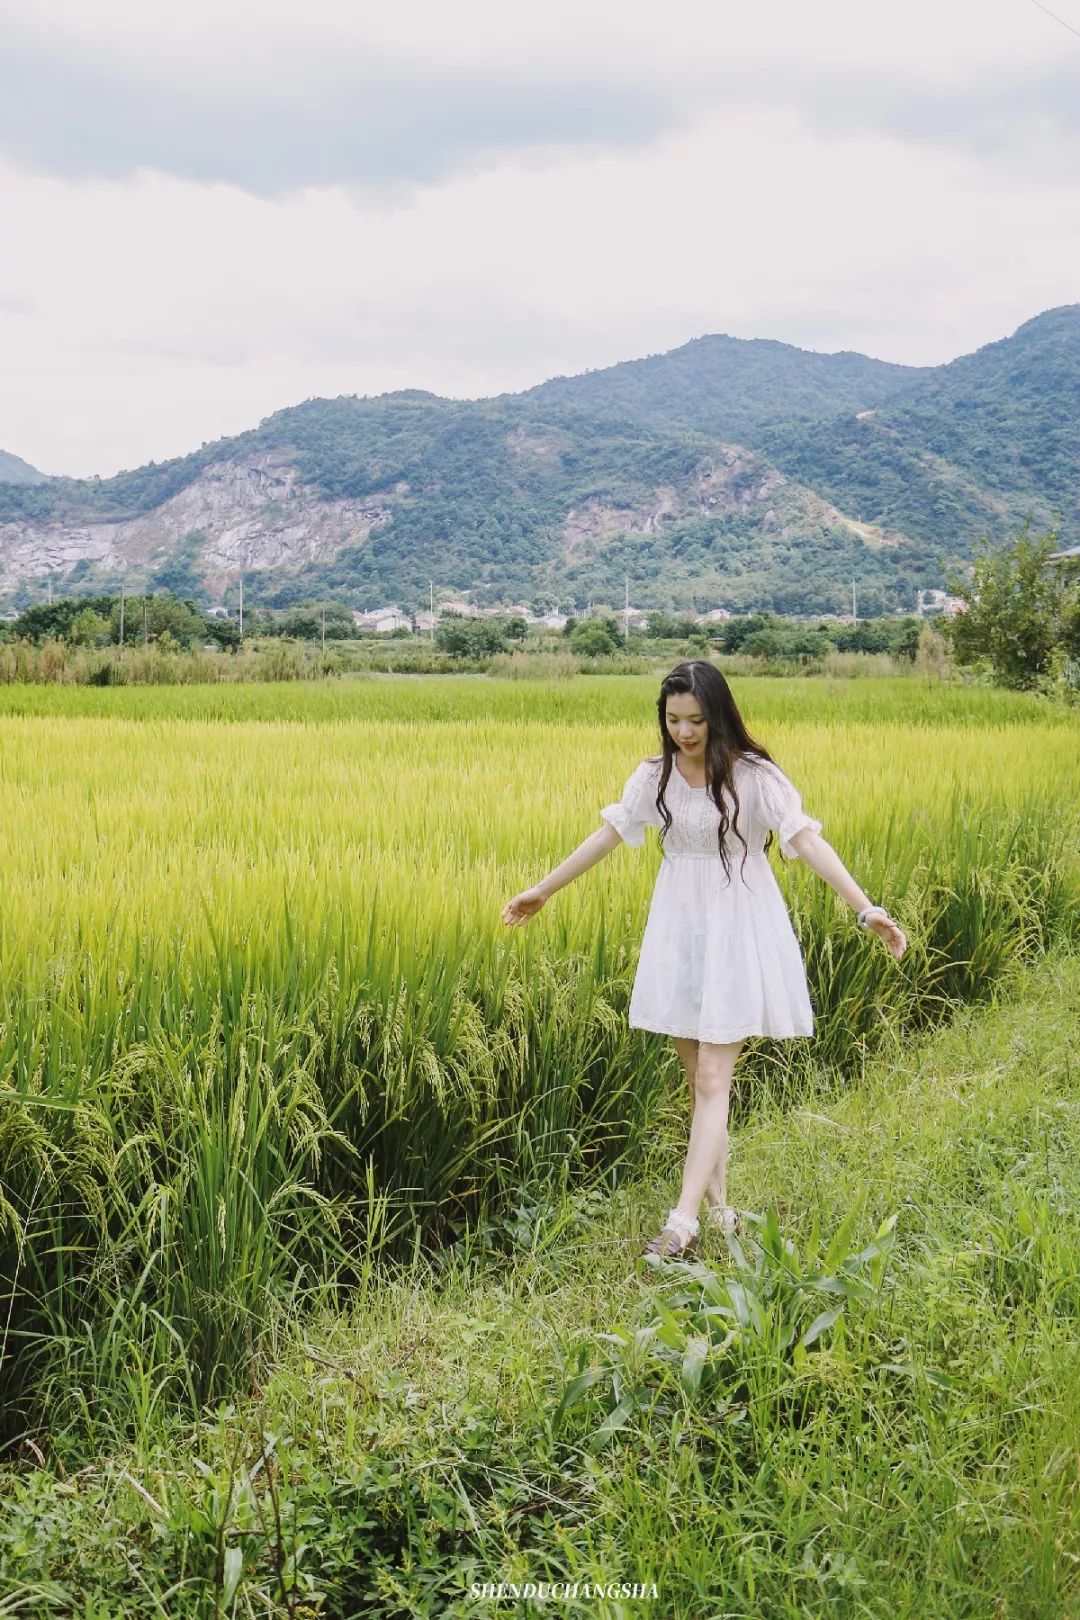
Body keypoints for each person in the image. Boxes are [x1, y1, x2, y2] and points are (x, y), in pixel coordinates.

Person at [500, 659, 907, 1261]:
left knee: (715, 1077)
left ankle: (682, 1222)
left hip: (740, 925)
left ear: (718, 714)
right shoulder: (654, 776)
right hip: (680, 930)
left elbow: (804, 840)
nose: (685, 732)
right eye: (673, 720)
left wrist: (865, 907)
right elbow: (610, 834)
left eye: (695, 720)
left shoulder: (755, 776)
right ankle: (721, 1212)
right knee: (699, 1082)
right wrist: (543, 889)